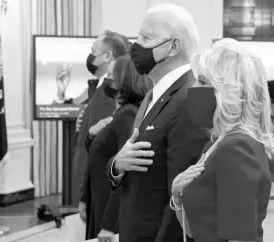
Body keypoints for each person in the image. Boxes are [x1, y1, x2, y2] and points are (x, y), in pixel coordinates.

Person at [106, 4, 210, 242]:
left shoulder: (192, 97)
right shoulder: (154, 94)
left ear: (173, 46)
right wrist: (117, 166)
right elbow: (131, 162)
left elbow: (183, 193)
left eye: (147, 37)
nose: (136, 45)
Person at [170, 38, 274, 242]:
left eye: (202, 81)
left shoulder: (236, 148)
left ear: (227, 92)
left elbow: (239, 236)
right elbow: (197, 228)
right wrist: (177, 196)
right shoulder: (217, 141)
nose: (192, 88)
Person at [79, 55, 153, 241]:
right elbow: (102, 155)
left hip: (109, 208)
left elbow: (125, 174)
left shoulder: (128, 114)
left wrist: (109, 224)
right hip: (100, 200)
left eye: (111, 75)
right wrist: (91, 137)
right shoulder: (121, 112)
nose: (107, 80)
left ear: (124, 79)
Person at [72, 30, 132, 207]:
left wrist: (85, 196)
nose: (90, 56)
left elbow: (101, 149)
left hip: (97, 189)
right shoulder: (101, 86)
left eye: (93, 51)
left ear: (107, 56)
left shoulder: (112, 92)